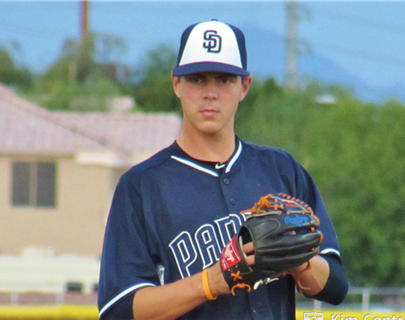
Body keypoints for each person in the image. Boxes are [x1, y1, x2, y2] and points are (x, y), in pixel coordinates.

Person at [97, 19, 349, 319]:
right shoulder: (142, 186)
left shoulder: (281, 170)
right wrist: (210, 282)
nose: (210, 92)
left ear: (245, 86)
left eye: (224, 79)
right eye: (197, 79)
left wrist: (299, 261)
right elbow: (118, 310)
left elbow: (336, 287)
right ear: (176, 83)